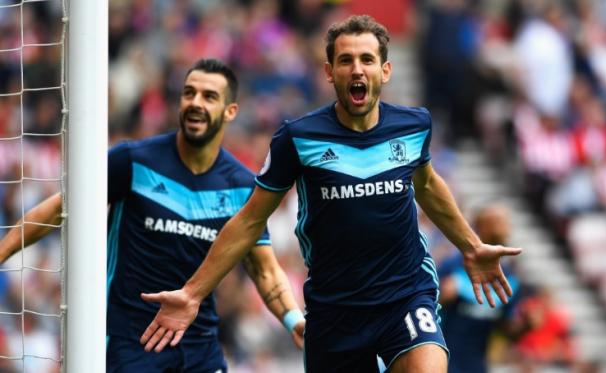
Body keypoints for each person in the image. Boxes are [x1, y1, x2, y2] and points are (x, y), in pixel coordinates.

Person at [140, 16, 522, 373]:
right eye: (346, 60)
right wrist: (192, 293)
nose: (357, 69)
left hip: (405, 294)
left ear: (384, 71)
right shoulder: (298, 138)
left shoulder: (413, 125)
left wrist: (470, 246)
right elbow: (249, 221)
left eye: (367, 59)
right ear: (329, 72)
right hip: (335, 310)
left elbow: (427, 185)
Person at [0, 58, 304, 372]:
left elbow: (264, 271)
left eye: (209, 96)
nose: (195, 103)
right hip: (130, 345)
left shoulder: (241, 186)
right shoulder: (133, 161)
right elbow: (57, 209)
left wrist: (293, 319)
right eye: (189, 93)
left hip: (199, 348)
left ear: (230, 111)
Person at [438, 204, 527, 373]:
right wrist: (442, 296)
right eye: (498, 221)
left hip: (477, 365)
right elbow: (423, 308)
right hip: (444, 362)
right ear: (480, 226)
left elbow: (506, 329)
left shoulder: (509, 279)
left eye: (506, 222)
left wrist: (525, 325)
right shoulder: (453, 266)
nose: (504, 227)